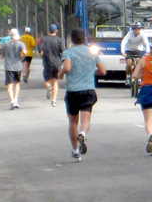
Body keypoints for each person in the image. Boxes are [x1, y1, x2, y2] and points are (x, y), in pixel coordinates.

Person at [59, 28, 106, 162]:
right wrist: (90, 72)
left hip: (73, 91)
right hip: (88, 90)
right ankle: (83, 133)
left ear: (71, 40)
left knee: (73, 122)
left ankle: (75, 151)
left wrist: (61, 73)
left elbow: (67, 67)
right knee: (86, 120)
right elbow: (102, 71)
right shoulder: (92, 52)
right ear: (84, 38)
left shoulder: (67, 53)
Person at [0, 28, 27, 110]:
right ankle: (15, 99)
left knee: (9, 85)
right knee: (17, 84)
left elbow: (1, 57)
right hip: (18, 66)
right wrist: (22, 56)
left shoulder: (5, 44)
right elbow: (25, 53)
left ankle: (12, 101)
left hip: (8, 67)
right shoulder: (20, 44)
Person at [40, 24, 65, 107]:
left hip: (47, 63)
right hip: (57, 63)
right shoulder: (60, 40)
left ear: (48, 30)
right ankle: (53, 101)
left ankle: (48, 87)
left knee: (47, 81)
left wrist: (43, 55)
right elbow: (63, 51)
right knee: (55, 82)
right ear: (56, 31)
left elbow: (40, 51)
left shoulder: (44, 39)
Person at [121, 21, 150, 86]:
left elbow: (146, 43)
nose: (136, 31)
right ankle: (128, 77)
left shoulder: (143, 34)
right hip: (129, 50)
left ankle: (139, 79)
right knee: (129, 63)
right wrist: (123, 52)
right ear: (133, 30)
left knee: (140, 63)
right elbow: (124, 42)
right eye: (135, 30)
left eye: (138, 30)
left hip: (138, 50)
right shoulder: (129, 34)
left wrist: (147, 52)